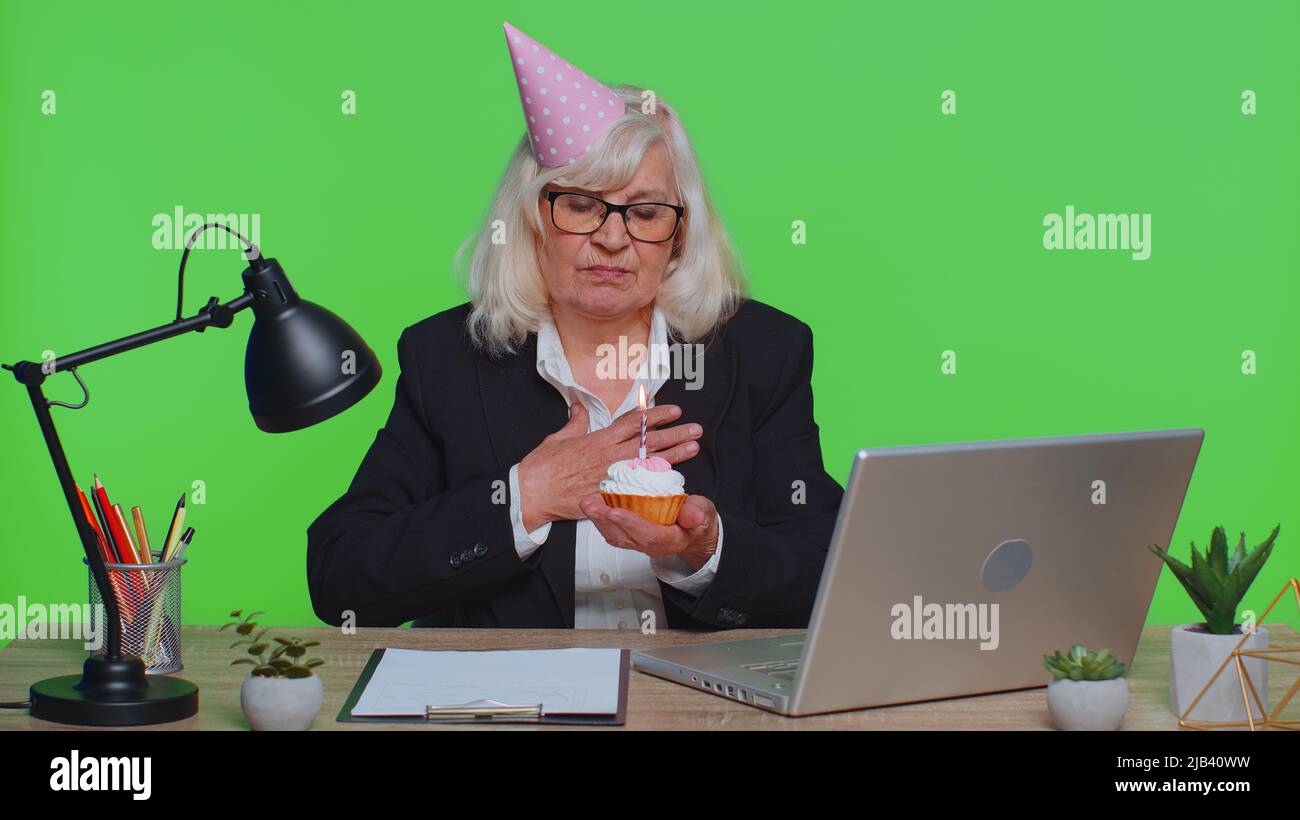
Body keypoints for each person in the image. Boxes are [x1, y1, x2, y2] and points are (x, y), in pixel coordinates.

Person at [306, 22, 842, 630]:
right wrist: (522, 497)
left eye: (643, 212)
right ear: (531, 217)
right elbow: (340, 576)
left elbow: (826, 567)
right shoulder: (447, 360)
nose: (613, 239)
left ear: (678, 234)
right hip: (514, 709)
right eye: (582, 204)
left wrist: (705, 551)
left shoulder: (763, 353)